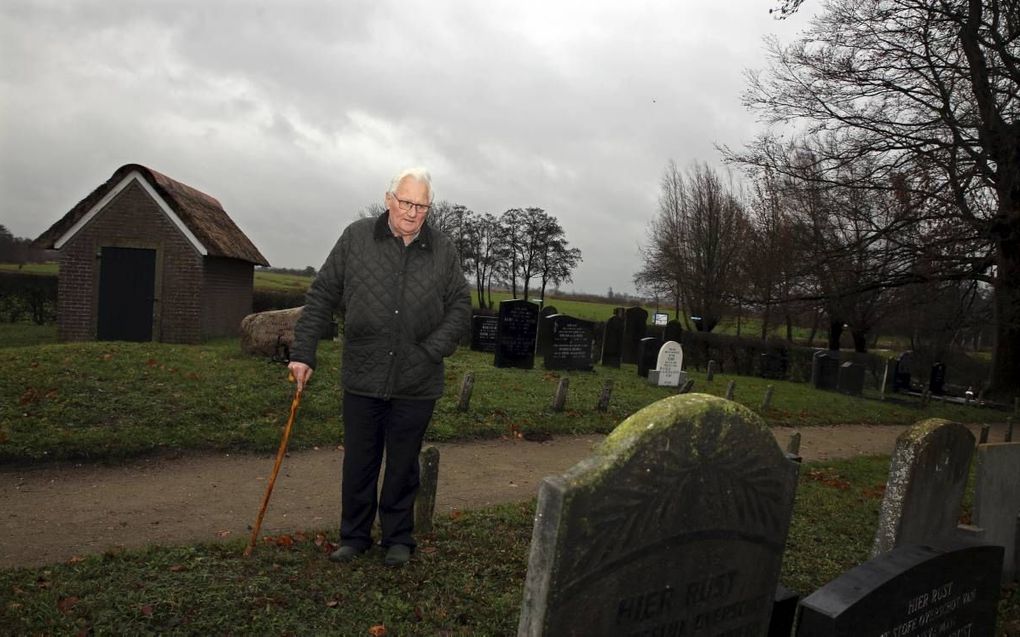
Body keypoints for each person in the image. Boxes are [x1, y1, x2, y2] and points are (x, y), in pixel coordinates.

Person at [288, 167, 471, 567]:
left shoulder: (443, 249)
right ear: (389, 199)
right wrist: (303, 352)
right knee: (360, 461)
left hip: (418, 378)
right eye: (405, 202)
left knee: (404, 464)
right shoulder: (356, 238)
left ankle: (398, 538)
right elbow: (322, 295)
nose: (412, 212)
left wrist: (432, 350)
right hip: (363, 372)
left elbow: (460, 306)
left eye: (421, 205)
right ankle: (354, 536)